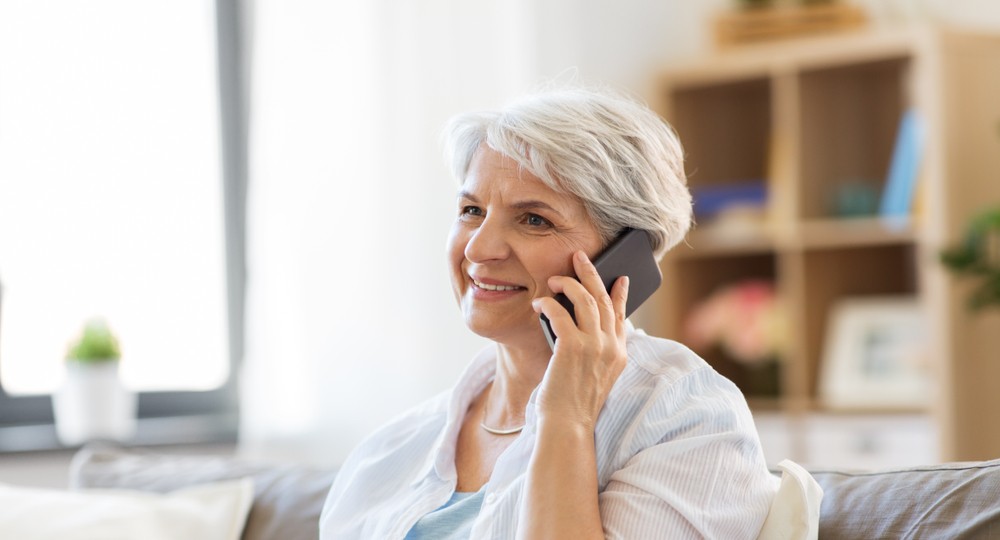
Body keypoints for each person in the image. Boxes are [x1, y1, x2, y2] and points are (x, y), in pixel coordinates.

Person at [319, 86, 780, 539]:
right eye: (471, 209)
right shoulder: (389, 450)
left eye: (534, 219)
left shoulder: (685, 417)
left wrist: (567, 419)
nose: (479, 248)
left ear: (626, 253)